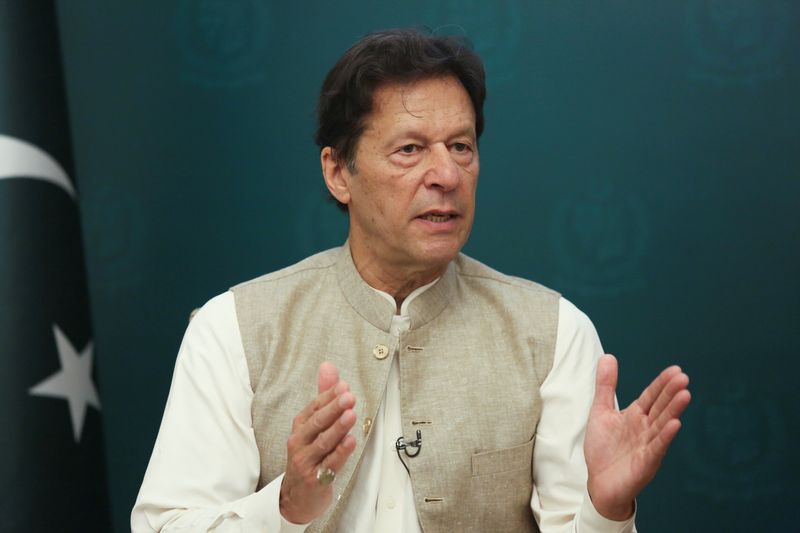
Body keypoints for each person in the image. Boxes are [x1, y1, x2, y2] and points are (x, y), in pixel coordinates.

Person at [132, 28, 690, 532]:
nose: (446, 175)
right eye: (409, 150)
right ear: (337, 172)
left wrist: (606, 510)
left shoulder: (555, 334)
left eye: (461, 147)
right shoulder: (233, 329)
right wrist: (284, 506)